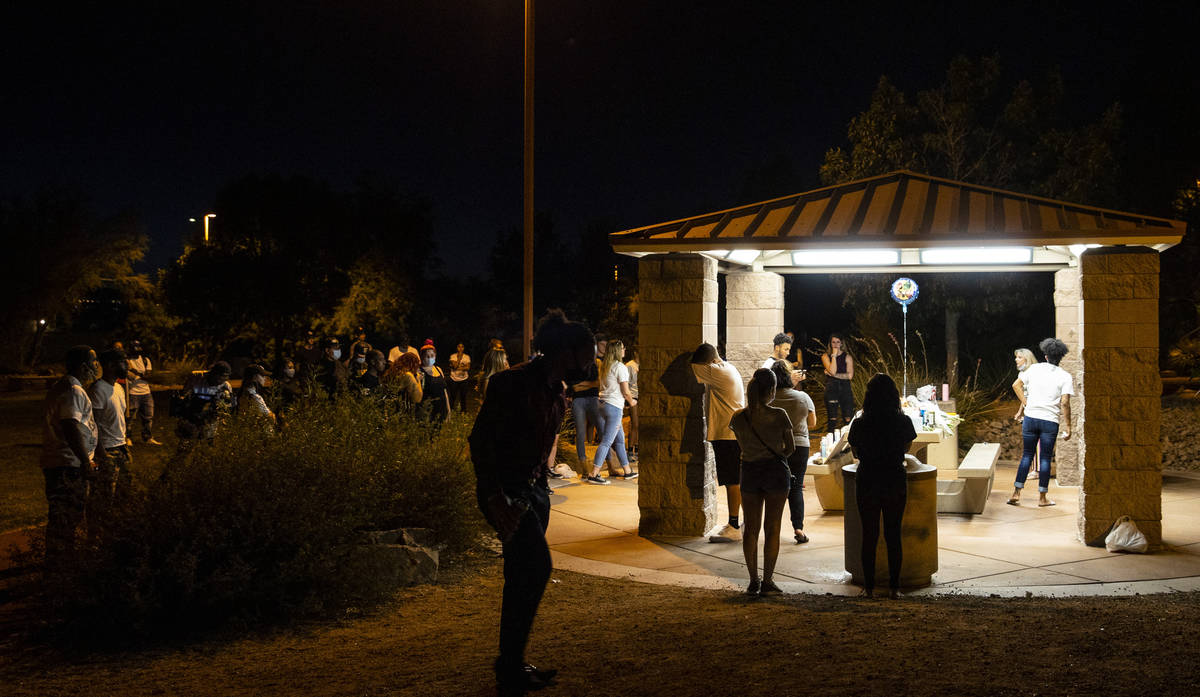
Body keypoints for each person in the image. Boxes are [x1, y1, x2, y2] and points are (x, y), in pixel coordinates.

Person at [469, 308, 594, 696]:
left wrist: (540, 490)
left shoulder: (557, 390)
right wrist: (495, 497)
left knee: (520, 575)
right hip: (506, 491)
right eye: (586, 355)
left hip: (534, 492)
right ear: (564, 352)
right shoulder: (511, 383)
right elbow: (481, 442)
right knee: (536, 568)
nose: (591, 363)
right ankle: (509, 663)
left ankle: (510, 664)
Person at [847, 373, 916, 599]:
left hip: (868, 478)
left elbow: (855, 452)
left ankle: (869, 588)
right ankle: (894, 588)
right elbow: (906, 447)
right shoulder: (903, 421)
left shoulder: (859, 423)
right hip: (894, 477)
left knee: (869, 534)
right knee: (893, 534)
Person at [729, 368, 795, 596]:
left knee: (751, 528)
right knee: (773, 527)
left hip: (749, 471)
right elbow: (791, 448)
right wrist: (777, 453)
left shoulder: (738, 417)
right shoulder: (779, 415)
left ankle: (752, 580)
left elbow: (741, 444)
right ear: (771, 390)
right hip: (775, 472)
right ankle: (768, 580)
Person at [40, 346, 99, 565]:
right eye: (94, 362)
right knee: (65, 516)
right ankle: (59, 566)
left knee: (65, 516)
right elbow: (70, 425)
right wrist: (85, 461)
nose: (96, 367)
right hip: (67, 465)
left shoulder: (67, 387)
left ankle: (59, 561)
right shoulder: (73, 390)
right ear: (84, 366)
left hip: (65, 463)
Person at [690, 342, 746, 542]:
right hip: (731, 434)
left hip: (727, 435)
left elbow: (693, 367)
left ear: (712, 362)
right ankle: (736, 523)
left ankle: (734, 526)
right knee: (733, 479)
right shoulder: (728, 369)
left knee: (732, 481)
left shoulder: (717, 371)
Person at [1009, 338, 1073, 507]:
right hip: (1050, 421)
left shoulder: (1034, 369)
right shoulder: (1065, 376)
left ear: (1045, 356)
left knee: (1027, 455)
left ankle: (1016, 493)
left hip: (1031, 418)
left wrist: (1027, 403)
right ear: (1060, 358)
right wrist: (1069, 427)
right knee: (1045, 458)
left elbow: (1016, 385)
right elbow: (1065, 402)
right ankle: (1042, 498)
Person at [770, 360, 817, 544]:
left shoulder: (770, 399)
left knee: (776, 487)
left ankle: (772, 528)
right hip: (800, 446)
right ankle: (798, 528)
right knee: (796, 487)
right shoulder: (802, 397)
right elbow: (812, 423)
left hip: (776, 447)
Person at [87, 348, 133, 524]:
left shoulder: (119, 388)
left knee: (124, 493)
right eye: (123, 362)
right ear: (110, 365)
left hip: (121, 447)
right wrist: (101, 453)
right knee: (103, 496)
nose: (127, 365)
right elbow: (94, 424)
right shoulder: (98, 389)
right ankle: (96, 534)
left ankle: (116, 529)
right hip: (107, 449)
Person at [587, 339, 638, 483]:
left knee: (620, 440)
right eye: (622, 348)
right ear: (617, 351)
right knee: (606, 442)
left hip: (602, 405)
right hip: (614, 407)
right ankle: (594, 473)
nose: (624, 350)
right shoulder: (620, 367)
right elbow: (625, 391)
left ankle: (627, 471)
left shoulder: (605, 366)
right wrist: (631, 402)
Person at [175, 361, 235, 443]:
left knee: (207, 439)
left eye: (225, 377)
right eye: (220, 377)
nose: (221, 380)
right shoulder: (196, 377)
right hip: (193, 410)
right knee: (187, 439)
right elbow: (183, 395)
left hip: (211, 414)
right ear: (213, 373)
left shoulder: (226, 386)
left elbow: (229, 405)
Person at [125, 340, 160, 445]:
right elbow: (128, 375)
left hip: (146, 393)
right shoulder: (126, 361)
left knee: (148, 417)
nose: (137, 350)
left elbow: (148, 376)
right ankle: (127, 437)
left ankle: (147, 437)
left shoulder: (145, 360)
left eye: (138, 347)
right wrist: (141, 375)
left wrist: (135, 372)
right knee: (129, 418)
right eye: (134, 347)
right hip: (132, 392)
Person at [821, 333, 855, 433]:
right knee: (832, 419)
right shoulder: (825, 356)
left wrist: (832, 374)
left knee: (848, 418)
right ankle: (831, 444)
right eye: (833, 342)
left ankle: (849, 443)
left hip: (845, 389)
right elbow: (832, 370)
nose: (835, 344)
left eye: (838, 342)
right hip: (832, 389)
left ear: (841, 343)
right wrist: (834, 356)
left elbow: (849, 376)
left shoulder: (847, 357)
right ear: (830, 344)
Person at [417, 339, 451, 423]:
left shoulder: (438, 369)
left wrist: (448, 408)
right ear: (421, 357)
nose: (430, 358)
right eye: (427, 356)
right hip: (427, 411)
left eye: (432, 356)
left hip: (441, 409)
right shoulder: (419, 371)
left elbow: (444, 390)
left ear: (435, 356)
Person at [447, 342, 472, 412]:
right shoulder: (453, 356)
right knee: (453, 396)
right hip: (454, 379)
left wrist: (458, 367)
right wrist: (459, 358)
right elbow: (454, 366)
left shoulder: (467, 357)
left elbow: (467, 368)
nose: (460, 348)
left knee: (463, 396)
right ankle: (450, 410)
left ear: (464, 348)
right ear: (456, 348)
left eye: (462, 347)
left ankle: (463, 411)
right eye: (459, 346)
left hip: (464, 379)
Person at [625, 349, 640, 462]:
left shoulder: (643, 365)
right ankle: (630, 450)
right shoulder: (630, 365)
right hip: (633, 396)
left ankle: (637, 448)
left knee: (639, 425)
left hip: (642, 396)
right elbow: (626, 383)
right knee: (634, 424)